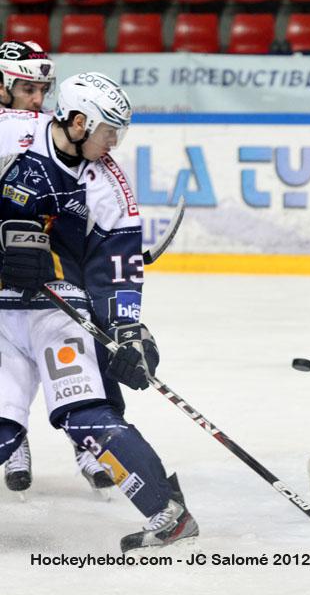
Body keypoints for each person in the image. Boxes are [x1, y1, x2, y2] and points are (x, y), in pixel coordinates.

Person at [0, 72, 198, 552]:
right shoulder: (10, 133)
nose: (114, 142)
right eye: (110, 130)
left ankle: (167, 514)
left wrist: (128, 330)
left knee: (87, 414)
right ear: (79, 121)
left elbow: (118, 270)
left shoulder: (108, 183)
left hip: (58, 313)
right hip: (1, 317)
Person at [0, 40, 113, 494]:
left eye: (42, 89)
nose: (38, 100)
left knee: (92, 335)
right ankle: (13, 435)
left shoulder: (46, 131)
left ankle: (92, 442)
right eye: (27, 88)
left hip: (49, 268)